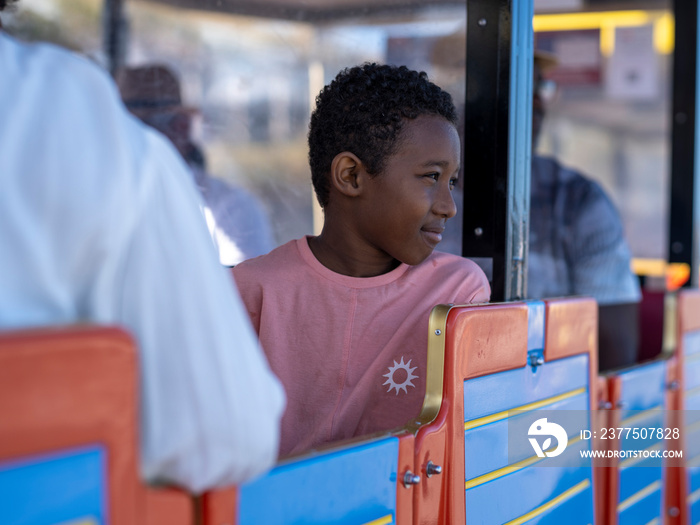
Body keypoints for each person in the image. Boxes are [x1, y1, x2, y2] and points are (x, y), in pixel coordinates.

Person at [0, 2, 284, 493]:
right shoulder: (89, 133)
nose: (173, 127)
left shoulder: (230, 203)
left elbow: (249, 297)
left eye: (179, 116)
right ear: (126, 114)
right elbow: (223, 431)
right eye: (152, 112)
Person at [233, 63, 491, 457]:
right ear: (351, 176)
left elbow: (468, 444)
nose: (448, 206)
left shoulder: (457, 292)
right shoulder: (252, 290)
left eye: (451, 182)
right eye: (431, 177)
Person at [529, 51, 641, 371]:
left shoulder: (577, 201)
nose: (538, 102)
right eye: (521, 86)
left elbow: (614, 354)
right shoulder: (405, 194)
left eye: (541, 88)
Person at [116, 64, 276, 266]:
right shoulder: (109, 198)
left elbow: (248, 289)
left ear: (181, 127)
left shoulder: (229, 206)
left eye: (145, 125)